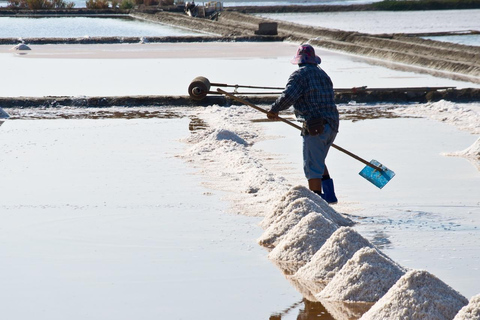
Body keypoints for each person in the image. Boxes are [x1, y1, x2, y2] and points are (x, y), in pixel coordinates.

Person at [267, 44, 339, 204]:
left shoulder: (299, 75)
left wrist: (274, 110)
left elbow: (288, 96)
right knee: (318, 160)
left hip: (315, 126)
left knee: (312, 166)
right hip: (332, 125)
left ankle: (318, 205)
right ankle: (330, 197)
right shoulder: (323, 74)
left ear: (299, 61)